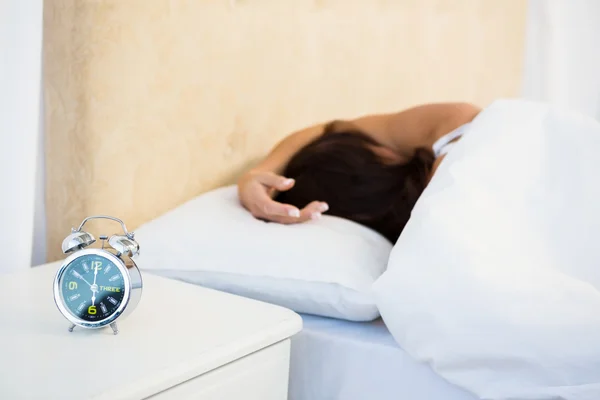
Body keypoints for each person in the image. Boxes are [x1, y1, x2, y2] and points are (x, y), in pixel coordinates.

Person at [237, 102, 482, 242]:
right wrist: (261, 172)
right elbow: (330, 128)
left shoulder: (433, 233)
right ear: (379, 155)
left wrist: (254, 175)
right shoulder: (456, 127)